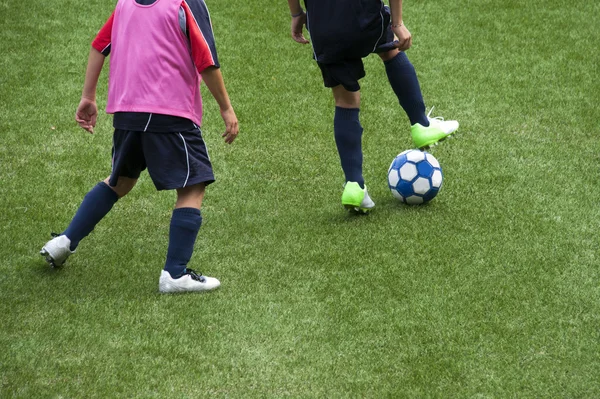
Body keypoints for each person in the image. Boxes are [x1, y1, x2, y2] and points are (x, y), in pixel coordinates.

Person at [40, 0, 239, 293]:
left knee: (119, 181)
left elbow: (99, 45)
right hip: (170, 114)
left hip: (126, 113)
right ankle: (174, 275)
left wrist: (88, 96)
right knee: (193, 185)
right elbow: (206, 60)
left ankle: (63, 243)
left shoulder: (125, 3)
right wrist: (226, 108)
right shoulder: (186, 4)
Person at [287, 0, 459, 213]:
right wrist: (397, 24)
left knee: (345, 100)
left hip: (323, 26)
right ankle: (421, 124)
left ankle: (354, 186)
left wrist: (296, 14)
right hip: (361, 14)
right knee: (390, 48)